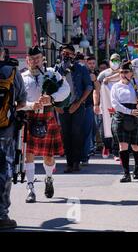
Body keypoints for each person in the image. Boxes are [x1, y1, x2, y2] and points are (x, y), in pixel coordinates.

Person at [20, 46, 70, 203]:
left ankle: (49, 178)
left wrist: (52, 98)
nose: (35, 62)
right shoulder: (22, 77)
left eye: (38, 58)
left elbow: (66, 90)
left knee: (48, 157)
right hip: (29, 117)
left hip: (47, 116)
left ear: (42, 58)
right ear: (27, 60)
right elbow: (17, 100)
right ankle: (30, 188)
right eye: (32, 59)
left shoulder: (51, 73)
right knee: (28, 155)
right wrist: (30, 105)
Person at [111, 61, 138, 182]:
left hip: (136, 117)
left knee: (136, 146)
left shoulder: (137, 85)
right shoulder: (116, 86)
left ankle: (137, 167)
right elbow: (114, 104)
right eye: (121, 72)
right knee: (123, 145)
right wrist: (129, 111)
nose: (123, 74)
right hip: (121, 117)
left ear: (131, 73)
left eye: (126, 72)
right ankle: (126, 173)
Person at [0, 47, 27, 230]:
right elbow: (23, 101)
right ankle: (2, 215)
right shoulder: (12, 71)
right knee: (4, 171)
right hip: (5, 131)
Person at [56, 45, 93, 173]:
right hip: (62, 107)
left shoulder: (81, 68)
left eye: (68, 53)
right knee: (65, 135)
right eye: (63, 53)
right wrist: (56, 106)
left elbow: (89, 87)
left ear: (73, 55)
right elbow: (52, 89)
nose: (65, 55)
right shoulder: (57, 68)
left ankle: (77, 162)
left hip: (77, 106)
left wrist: (78, 103)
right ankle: (69, 163)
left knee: (76, 133)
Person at [95, 54, 121, 161]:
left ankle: (116, 152)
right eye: (113, 60)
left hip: (119, 106)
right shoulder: (103, 74)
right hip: (105, 105)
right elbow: (96, 90)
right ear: (109, 61)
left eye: (117, 60)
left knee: (118, 128)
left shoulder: (123, 73)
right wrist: (96, 104)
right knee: (104, 127)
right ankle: (106, 146)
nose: (115, 62)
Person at [81, 56, 100, 165]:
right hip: (80, 105)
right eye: (90, 63)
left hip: (89, 105)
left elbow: (97, 89)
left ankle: (86, 154)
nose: (92, 65)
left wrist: (95, 79)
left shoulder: (94, 74)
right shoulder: (83, 73)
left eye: (93, 63)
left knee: (90, 130)